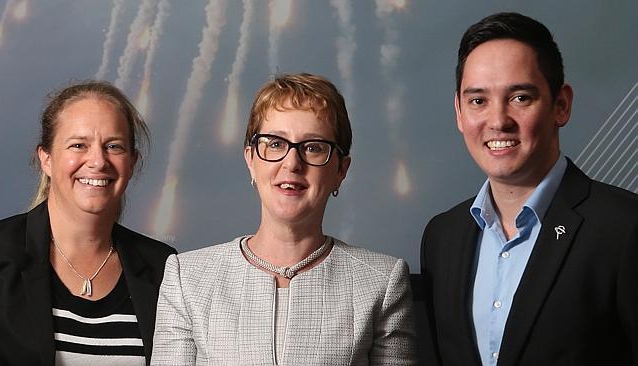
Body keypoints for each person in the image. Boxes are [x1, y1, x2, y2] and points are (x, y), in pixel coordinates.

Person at [418, 12, 638, 366]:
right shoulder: (442, 237)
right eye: (478, 101)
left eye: (520, 97)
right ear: (459, 112)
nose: (498, 120)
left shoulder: (625, 228)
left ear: (561, 105)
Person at [151, 73, 418, 365]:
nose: (292, 163)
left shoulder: (382, 281)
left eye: (313, 147)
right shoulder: (186, 279)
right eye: (275, 144)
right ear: (251, 160)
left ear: (341, 170)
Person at [0, 81, 177, 365]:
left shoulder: (164, 269)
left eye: (114, 146)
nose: (98, 161)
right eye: (79, 145)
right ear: (46, 159)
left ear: (132, 162)